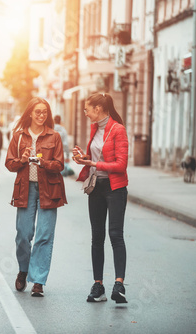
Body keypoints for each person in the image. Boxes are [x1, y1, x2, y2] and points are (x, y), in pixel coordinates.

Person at [5, 97, 67, 297]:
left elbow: (59, 165)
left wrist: (43, 163)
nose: (41, 115)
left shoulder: (54, 136)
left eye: (45, 112)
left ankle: (38, 280)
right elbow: (9, 164)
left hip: (49, 190)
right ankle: (24, 269)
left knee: (44, 235)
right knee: (23, 234)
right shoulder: (19, 136)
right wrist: (22, 160)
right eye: (38, 112)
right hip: (25, 189)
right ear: (30, 113)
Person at [72, 92, 129, 304]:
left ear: (98, 109)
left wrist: (93, 164)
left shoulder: (118, 130)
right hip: (96, 187)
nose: (85, 112)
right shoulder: (95, 128)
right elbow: (98, 156)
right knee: (97, 237)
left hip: (115, 189)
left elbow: (121, 165)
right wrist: (85, 158)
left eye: (88, 108)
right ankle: (98, 285)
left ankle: (119, 285)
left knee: (115, 235)